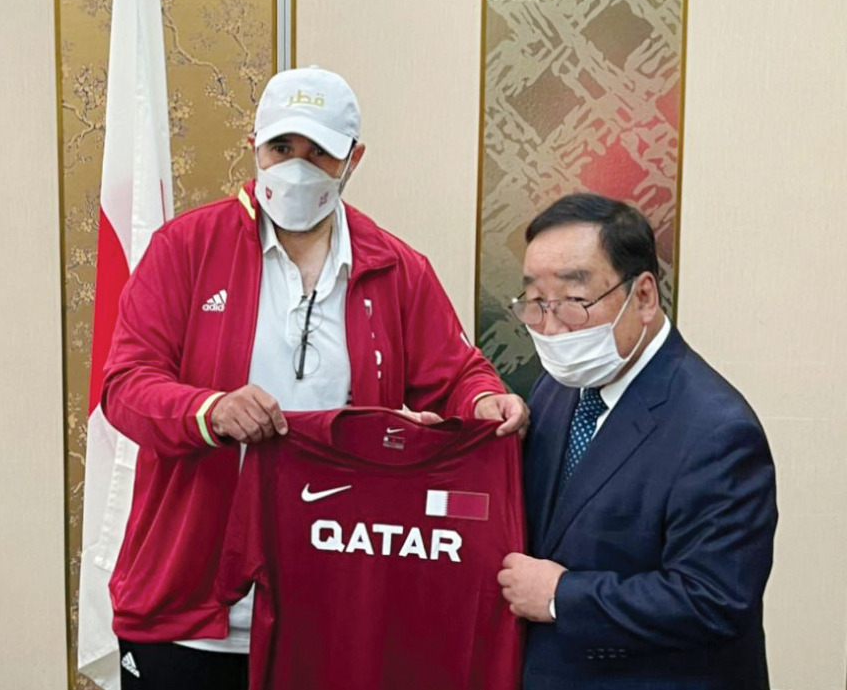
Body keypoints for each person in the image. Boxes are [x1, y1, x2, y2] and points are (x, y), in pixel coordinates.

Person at [102, 65, 529, 689]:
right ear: (254, 146)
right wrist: (209, 410)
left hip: (334, 602)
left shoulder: (397, 268)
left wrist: (486, 399)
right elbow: (125, 386)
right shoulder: (184, 249)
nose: (295, 168)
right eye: (281, 148)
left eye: (319, 153)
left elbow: (457, 374)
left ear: (353, 159)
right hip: (190, 598)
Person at [497, 193, 777, 689]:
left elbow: (713, 600)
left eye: (574, 301)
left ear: (643, 296)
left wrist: (563, 595)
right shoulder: (556, 390)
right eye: (536, 303)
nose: (552, 326)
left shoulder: (718, 430)